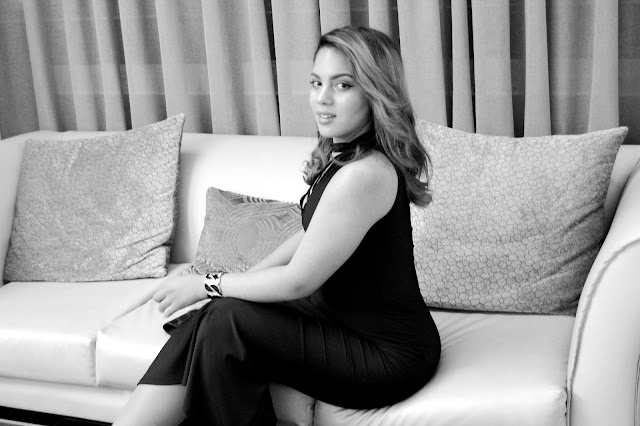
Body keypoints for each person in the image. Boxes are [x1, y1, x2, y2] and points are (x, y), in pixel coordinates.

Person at [114, 26, 441, 426]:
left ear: (375, 92)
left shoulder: (363, 174)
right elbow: (309, 234)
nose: (322, 98)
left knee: (224, 321)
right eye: (316, 83)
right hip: (341, 323)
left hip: (385, 355)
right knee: (220, 314)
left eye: (342, 85)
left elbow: (298, 281)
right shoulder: (345, 154)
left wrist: (208, 283)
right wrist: (242, 281)